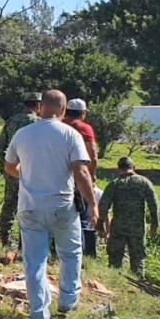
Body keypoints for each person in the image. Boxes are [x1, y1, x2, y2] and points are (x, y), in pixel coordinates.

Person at [4, 90, 98, 319]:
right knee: (71, 253)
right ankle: (68, 300)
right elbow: (81, 171)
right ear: (63, 109)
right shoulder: (70, 134)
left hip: (30, 208)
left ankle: (39, 316)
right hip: (62, 206)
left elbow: (9, 166)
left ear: (41, 107)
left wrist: (27, 175)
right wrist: (93, 204)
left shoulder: (23, 133)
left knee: (35, 262)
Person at [98, 157, 160, 277]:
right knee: (138, 257)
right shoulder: (144, 182)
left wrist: (100, 225)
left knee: (115, 257)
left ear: (119, 169)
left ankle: (114, 281)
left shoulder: (114, 184)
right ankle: (138, 283)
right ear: (134, 168)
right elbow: (154, 205)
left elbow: (103, 206)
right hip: (137, 228)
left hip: (118, 227)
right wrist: (155, 224)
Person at [0, 92, 42, 247]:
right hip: (31, 173)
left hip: (12, 169)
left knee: (9, 205)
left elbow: (0, 147)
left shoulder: (11, 121)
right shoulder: (38, 123)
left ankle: (5, 240)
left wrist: (4, 166)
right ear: (38, 105)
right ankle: (24, 243)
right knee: (28, 208)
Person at [64, 98, 100, 256]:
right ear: (82, 113)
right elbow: (92, 155)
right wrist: (91, 177)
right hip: (79, 177)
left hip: (60, 178)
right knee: (85, 217)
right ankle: (86, 255)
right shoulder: (84, 128)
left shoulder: (60, 125)